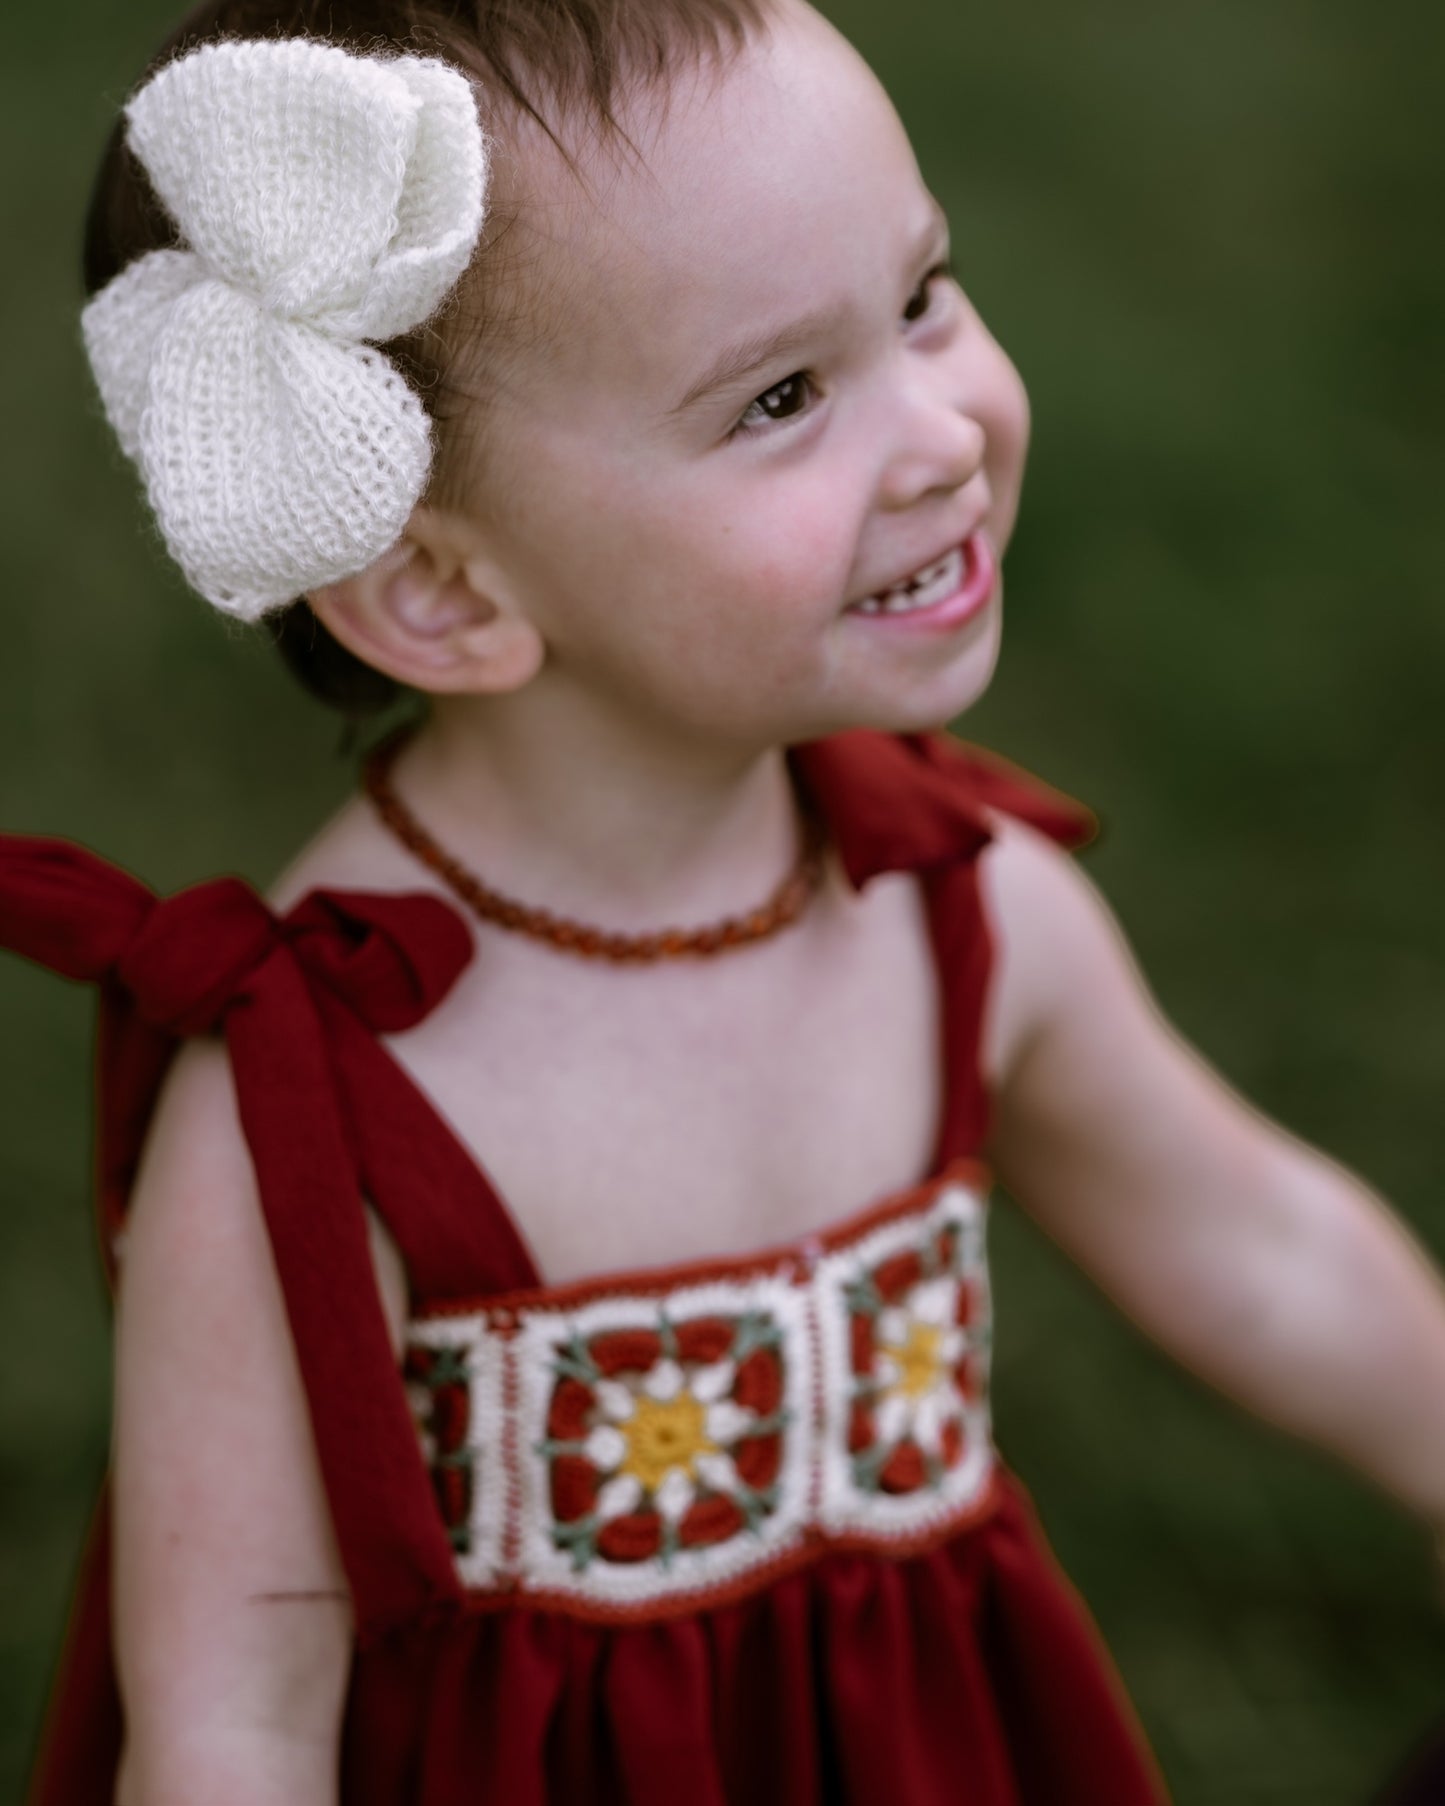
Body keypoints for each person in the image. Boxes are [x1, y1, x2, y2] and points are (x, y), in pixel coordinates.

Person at [6, 0, 1445, 1800]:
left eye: (922, 295)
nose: (936, 434)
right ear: (442, 593)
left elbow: (1252, 1247)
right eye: (781, 396)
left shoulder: (958, 899)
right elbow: (235, 1710)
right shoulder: (321, 1109)